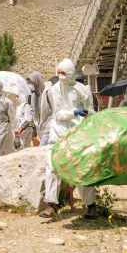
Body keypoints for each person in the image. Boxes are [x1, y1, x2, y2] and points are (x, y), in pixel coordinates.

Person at [39, 59, 97, 219]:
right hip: (58, 131)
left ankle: (91, 205)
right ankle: (51, 205)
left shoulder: (83, 90)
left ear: (71, 72)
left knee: (83, 167)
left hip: (77, 132)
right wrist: (74, 112)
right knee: (52, 167)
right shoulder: (55, 90)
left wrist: (85, 118)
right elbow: (58, 113)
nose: (60, 76)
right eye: (58, 73)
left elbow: (90, 111)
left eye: (63, 72)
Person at [26, 72, 47, 144]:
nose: (30, 85)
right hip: (40, 129)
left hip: (49, 128)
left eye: (31, 83)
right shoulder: (33, 96)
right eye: (28, 83)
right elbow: (32, 113)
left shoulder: (47, 93)